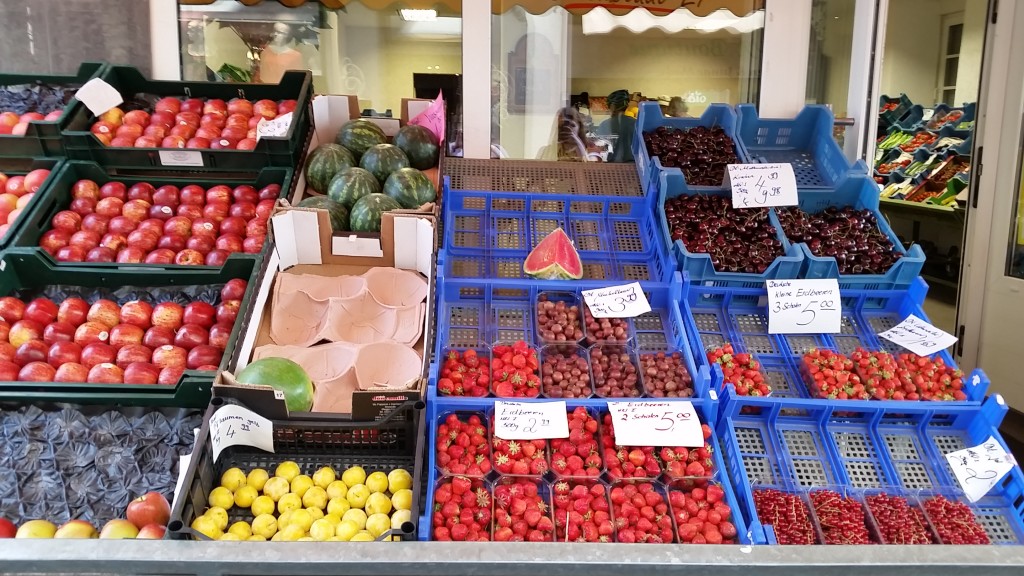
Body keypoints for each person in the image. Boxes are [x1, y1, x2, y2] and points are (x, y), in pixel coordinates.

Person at [597, 89, 635, 164]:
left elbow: (600, 148)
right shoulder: (635, 123)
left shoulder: (604, 124)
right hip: (632, 166)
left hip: (610, 166)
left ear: (612, 106)